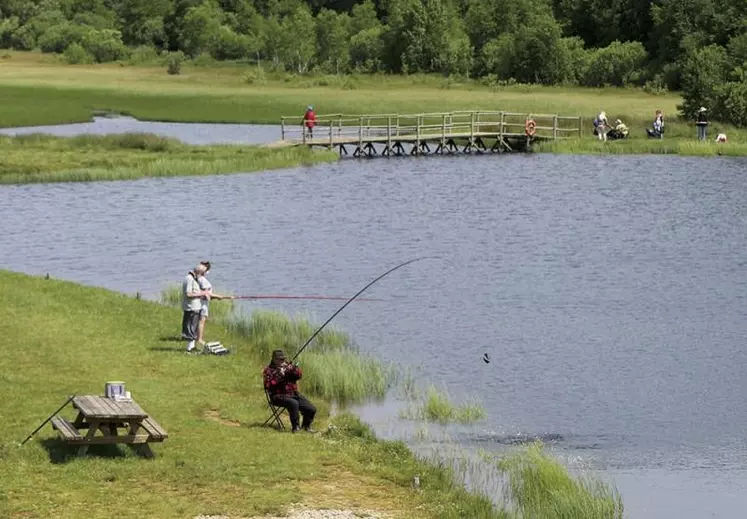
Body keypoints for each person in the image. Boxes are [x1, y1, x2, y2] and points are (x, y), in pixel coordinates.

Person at [263, 349, 317, 433]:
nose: (282, 361)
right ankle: (296, 428)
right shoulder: (268, 370)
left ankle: (306, 427)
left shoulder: (288, 367)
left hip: (293, 394)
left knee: (311, 409)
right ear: (274, 359)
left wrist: (293, 369)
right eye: (280, 359)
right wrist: (280, 374)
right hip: (277, 396)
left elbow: (299, 376)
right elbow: (269, 385)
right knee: (293, 404)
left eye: (283, 359)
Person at [195, 261, 234, 351]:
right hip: (202, 303)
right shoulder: (202, 280)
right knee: (202, 320)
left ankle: (197, 337)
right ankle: (199, 339)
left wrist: (217, 297)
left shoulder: (197, 278)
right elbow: (207, 294)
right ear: (205, 270)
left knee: (199, 320)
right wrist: (222, 296)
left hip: (201, 302)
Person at [182, 262, 209, 353]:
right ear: (198, 272)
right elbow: (188, 294)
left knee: (193, 327)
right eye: (202, 274)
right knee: (190, 327)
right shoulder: (189, 279)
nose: (202, 276)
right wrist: (201, 294)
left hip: (196, 307)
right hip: (191, 307)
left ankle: (192, 347)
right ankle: (189, 349)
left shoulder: (193, 279)